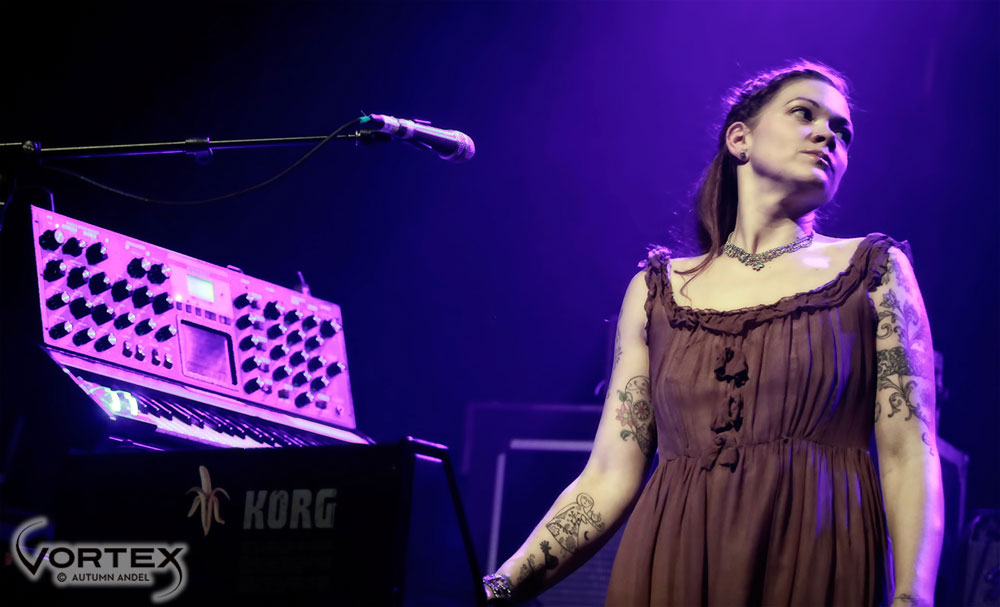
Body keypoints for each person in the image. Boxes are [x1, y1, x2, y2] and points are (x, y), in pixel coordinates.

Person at [481, 60, 944, 607]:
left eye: (843, 132)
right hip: (672, 563)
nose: (828, 135)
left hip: (817, 559)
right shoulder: (657, 291)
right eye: (804, 114)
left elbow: (908, 455)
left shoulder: (873, 270)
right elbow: (608, 474)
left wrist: (913, 597)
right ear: (739, 140)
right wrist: (504, 584)